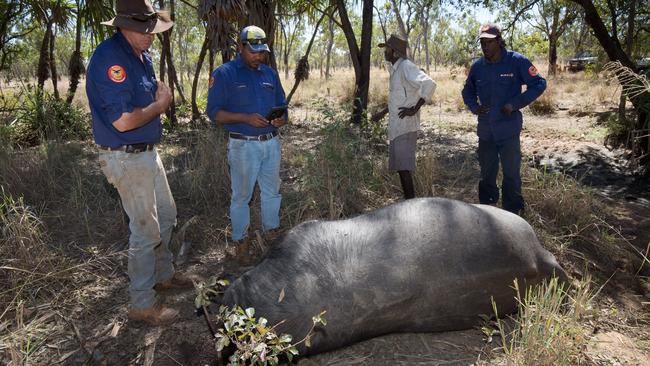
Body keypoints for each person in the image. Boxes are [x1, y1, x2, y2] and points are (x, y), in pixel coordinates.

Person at [86, 0, 192, 326]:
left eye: (152, 30)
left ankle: (163, 275)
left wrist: (156, 98)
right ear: (124, 26)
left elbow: (142, 101)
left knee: (167, 216)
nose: (151, 36)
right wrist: (160, 106)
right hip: (126, 157)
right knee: (144, 231)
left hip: (146, 153)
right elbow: (121, 121)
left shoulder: (141, 57)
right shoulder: (110, 59)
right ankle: (142, 304)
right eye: (145, 30)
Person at [206, 25, 287, 265]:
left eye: (262, 52)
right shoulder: (224, 74)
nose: (259, 56)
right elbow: (214, 113)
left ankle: (272, 234)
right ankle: (241, 241)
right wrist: (245, 118)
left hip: (271, 143)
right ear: (240, 47)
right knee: (241, 196)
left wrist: (282, 119)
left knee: (272, 191)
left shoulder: (269, 74)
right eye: (253, 51)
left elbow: (282, 104)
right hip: (243, 146)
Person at [461, 23, 546, 215]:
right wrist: (474, 107)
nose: (485, 47)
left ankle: (513, 214)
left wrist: (515, 104)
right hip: (486, 132)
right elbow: (467, 90)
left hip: (508, 131)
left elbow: (539, 84)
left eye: (489, 42)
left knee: (511, 175)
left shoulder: (516, 61)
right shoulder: (478, 67)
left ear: (499, 41)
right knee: (487, 174)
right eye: (482, 42)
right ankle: (488, 214)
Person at [372, 34, 436, 199]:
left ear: (393, 51)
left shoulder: (406, 66)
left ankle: (411, 205)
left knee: (404, 169)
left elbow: (429, 83)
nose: (385, 52)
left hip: (406, 127)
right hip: (397, 127)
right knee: (401, 168)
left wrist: (414, 109)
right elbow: (399, 99)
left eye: (387, 49)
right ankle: (408, 203)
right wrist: (382, 113)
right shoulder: (395, 70)